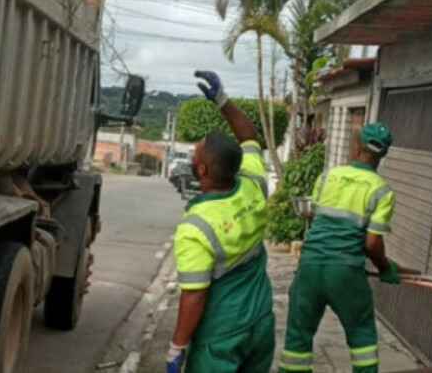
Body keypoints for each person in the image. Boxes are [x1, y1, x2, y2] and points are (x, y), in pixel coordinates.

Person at [166, 71, 275, 373]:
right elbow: (250, 138)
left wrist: (176, 347)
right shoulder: (254, 183)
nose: (193, 153)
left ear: (201, 169)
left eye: (196, 151)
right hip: (260, 322)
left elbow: (195, 294)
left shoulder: (196, 227)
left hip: (221, 337)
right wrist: (223, 101)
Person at [278, 123, 398, 373]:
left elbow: (316, 218)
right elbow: (372, 243)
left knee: (297, 340)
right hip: (345, 272)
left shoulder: (326, 178)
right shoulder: (381, 190)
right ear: (384, 154)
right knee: (362, 336)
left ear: (357, 147)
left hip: (309, 268)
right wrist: (385, 268)